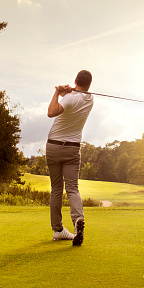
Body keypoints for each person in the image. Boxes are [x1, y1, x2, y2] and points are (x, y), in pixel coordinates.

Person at [46, 70, 93, 246]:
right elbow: (75, 96)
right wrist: (67, 92)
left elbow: (51, 112)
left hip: (54, 146)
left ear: (75, 80)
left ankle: (58, 230)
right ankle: (78, 220)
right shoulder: (90, 100)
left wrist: (57, 92)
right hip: (73, 148)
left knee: (56, 189)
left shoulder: (69, 98)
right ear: (90, 84)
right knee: (72, 188)